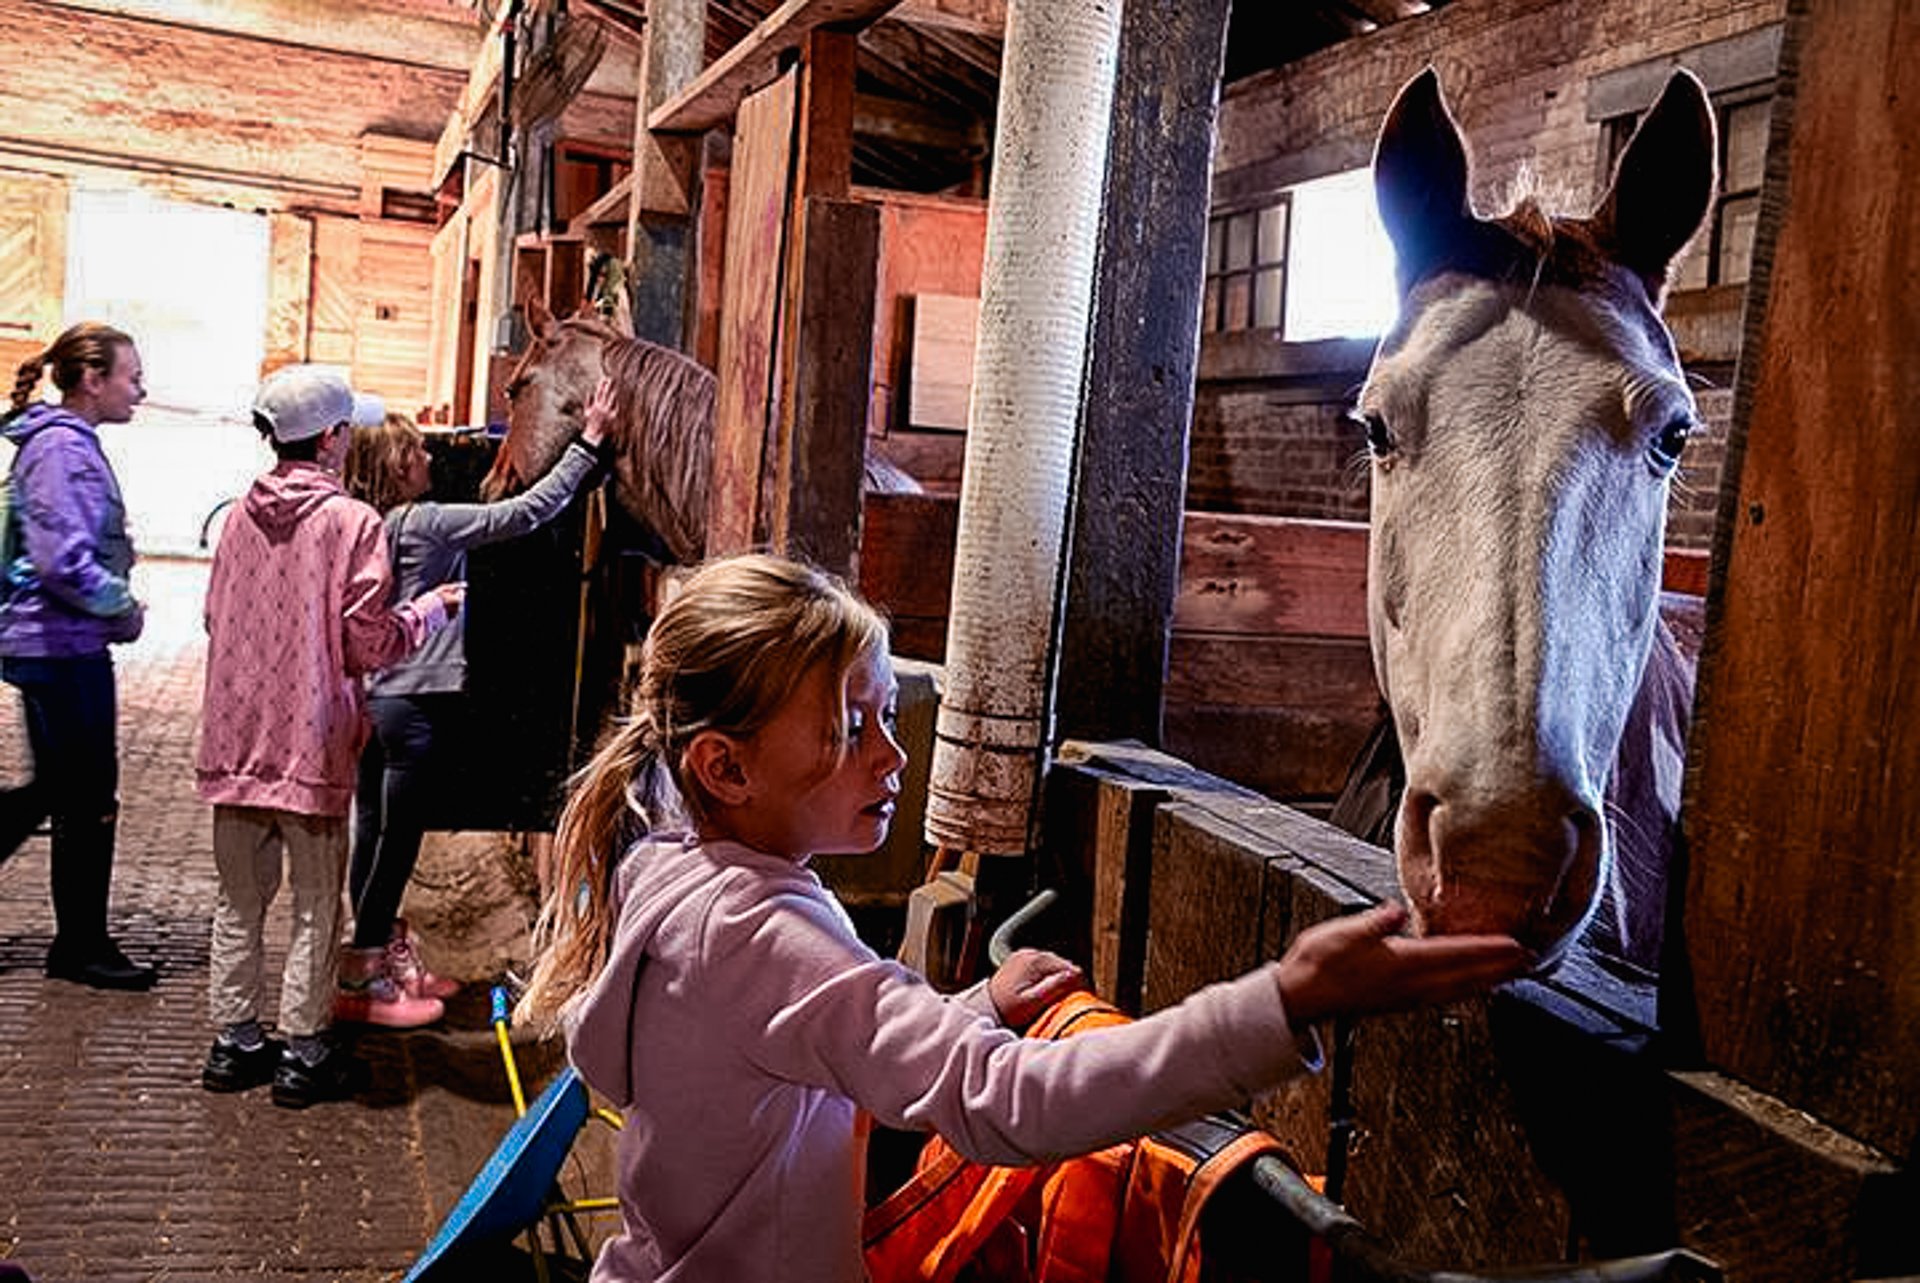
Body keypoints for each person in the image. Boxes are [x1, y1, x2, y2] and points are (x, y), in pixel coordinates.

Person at [516, 553, 1530, 1283]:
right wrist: (1282, 1001)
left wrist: (977, 1001)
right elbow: (1006, 1103)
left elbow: (833, 1042)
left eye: (885, 712)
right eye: (850, 725)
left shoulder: (678, 870)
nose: (891, 754)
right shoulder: (754, 932)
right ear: (726, 767)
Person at [195, 364, 463, 1109]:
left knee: (238, 900)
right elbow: (367, 643)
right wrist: (433, 609)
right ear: (334, 438)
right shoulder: (353, 523)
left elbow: (217, 619)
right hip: (311, 744)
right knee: (318, 904)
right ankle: (305, 1054)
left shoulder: (237, 518)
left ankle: (235, 1043)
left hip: (236, 738)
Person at [336, 388, 611, 1027]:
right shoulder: (422, 522)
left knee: (372, 831)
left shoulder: (366, 521)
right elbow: (524, 513)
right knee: (397, 840)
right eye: (414, 452)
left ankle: (377, 951)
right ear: (397, 466)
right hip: (416, 702)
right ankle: (365, 968)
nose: (426, 457)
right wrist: (589, 443)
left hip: (376, 699)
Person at [0, 322, 156, 991]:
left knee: (66, 791)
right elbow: (64, 561)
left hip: (59, 643)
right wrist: (120, 606)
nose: (140, 389)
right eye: (131, 375)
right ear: (93, 379)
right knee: (84, 798)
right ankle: (82, 946)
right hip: (59, 645)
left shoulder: (63, 445)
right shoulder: (62, 451)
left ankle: (81, 941)